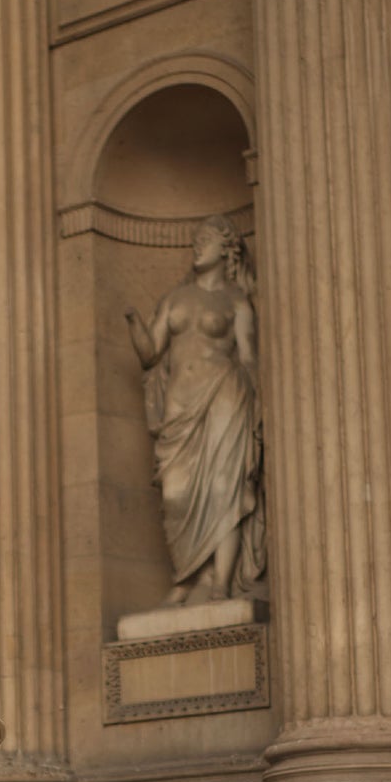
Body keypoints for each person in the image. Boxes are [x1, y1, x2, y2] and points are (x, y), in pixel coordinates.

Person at [124, 213, 265, 607]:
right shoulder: (175, 299)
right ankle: (187, 574)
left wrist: (257, 411)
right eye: (196, 238)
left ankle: (220, 584)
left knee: (226, 488)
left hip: (225, 393)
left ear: (228, 248)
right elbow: (151, 353)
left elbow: (249, 356)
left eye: (206, 238)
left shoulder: (236, 301)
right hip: (181, 405)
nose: (197, 244)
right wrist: (134, 321)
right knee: (176, 493)